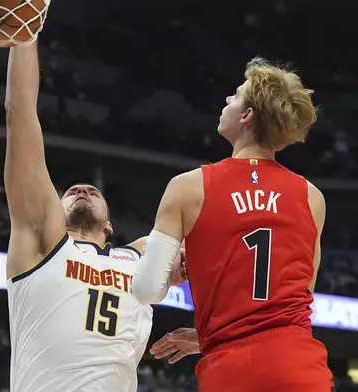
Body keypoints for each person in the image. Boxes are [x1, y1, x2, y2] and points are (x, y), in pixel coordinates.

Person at [132, 58, 334, 391]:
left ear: (246, 115)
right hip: (300, 368)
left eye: (235, 95)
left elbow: (146, 289)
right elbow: (296, 297)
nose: (227, 101)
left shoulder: (188, 186)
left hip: (231, 370)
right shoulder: (311, 197)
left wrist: (175, 269)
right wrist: (209, 334)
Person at [3, 41, 185, 392]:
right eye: (71, 191)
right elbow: (20, 113)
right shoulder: (41, 240)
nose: (83, 189)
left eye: (93, 192)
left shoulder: (145, 256)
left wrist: (208, 336)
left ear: (110, 225)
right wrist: (25, 35)